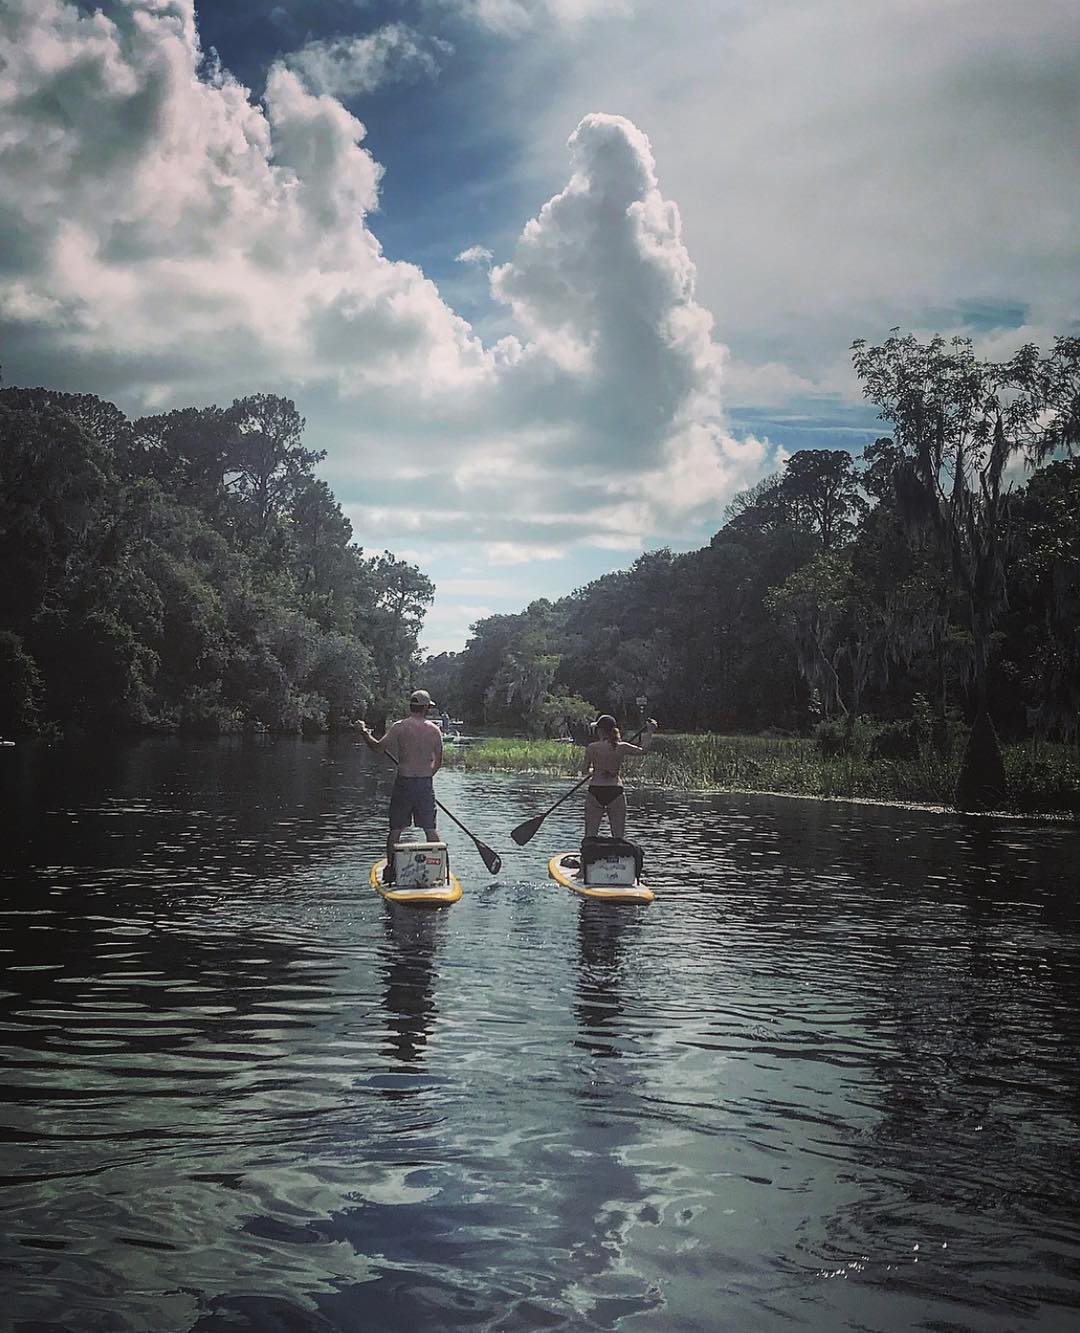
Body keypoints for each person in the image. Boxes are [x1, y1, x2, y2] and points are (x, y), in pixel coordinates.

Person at [358, 689, 443, 883]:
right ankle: (438, 869)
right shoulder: (434, 730)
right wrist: (426, 777)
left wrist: (364, 733)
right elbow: (438, 761)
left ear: (411, 707)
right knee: (430, 829)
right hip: (424, 783)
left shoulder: (399, 727)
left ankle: (391, 869)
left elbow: (378, 747)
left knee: (396, 829)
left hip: (404, 782)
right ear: (426, 709)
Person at [581, 714, 658, 839]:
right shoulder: (622, 747)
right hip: (615, 790)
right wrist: (649, 732)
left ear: (600, 731)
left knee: (590, 834)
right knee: (618, 836)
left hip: (596, 789)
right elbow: (643, 750)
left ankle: (589, 855)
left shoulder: (592, 748)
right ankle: (618, 855)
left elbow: (585, 771)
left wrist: (595, 771)